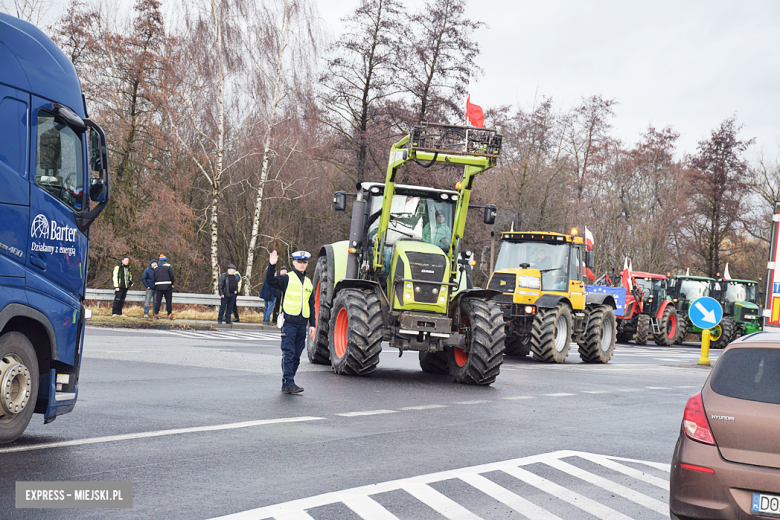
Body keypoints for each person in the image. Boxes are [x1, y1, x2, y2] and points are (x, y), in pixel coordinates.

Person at [266, 251, 315, 394]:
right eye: (299, 262)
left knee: (296, 355)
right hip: (289, 322)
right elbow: (270, 281)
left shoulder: (308, 282)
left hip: (302, 324)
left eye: (304, 262)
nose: (302, 264)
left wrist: (312, 324)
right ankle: (289, 382)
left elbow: (311, 304)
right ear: (293, 263)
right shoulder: (287, 278)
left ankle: (288, 382)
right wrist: (272, 265)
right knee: (289, 352)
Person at [153, 254, 175, 319]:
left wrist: (156, 284)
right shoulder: (168, 266)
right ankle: (169, 314)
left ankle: (156, 314)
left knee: (158, 301)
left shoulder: (156, 268)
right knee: (168, 301)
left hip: (158, 286)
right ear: (165, 260)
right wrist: (172, 283)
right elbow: (172, 276)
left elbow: (154, 277)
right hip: (167, 285)